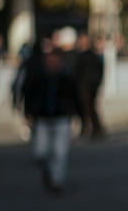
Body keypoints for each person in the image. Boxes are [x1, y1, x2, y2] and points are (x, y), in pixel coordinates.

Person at [19, 35, 78, 193]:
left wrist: (78, 115)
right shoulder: (39, 76)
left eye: (55, 61)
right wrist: (28, 112)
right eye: (50, 61)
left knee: (61, 152)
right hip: (43, 118)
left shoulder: (67, 77)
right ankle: (48, 170)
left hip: (62, 118)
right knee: (41, 151)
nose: (52, 64)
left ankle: (56, 180)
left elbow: (75, 96)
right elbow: (29, 93)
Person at [72, 32, 106, 139]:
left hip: (89, 86)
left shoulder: (93, 56)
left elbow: (99, 71)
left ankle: (96, 128)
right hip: (81, 85)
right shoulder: (79, 55)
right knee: (82, 107)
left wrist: (96, 83)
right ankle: (87, 127)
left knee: (90, 107)